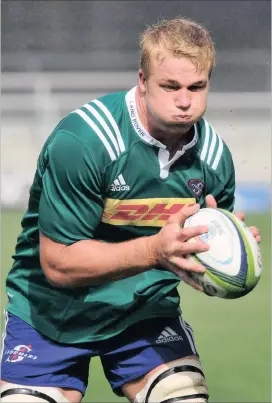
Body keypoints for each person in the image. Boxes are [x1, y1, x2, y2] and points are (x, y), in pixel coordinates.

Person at [0, 17, 260, 403]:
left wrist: (225, 256)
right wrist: (157, 251)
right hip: (50, 314)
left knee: (182, 397)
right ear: (142, 80)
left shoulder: (214, 158)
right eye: (170, 86)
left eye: (197, 86)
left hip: (144, 313)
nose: (185, 100)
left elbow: (194, 260)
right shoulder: (85, 142)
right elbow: (58, 264)